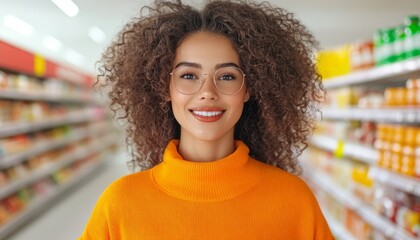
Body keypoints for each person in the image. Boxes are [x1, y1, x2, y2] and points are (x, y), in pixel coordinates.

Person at [79, 0, 334, 239]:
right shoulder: (120, 202)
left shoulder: (294, 200)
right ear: (165, 88)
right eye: (189, 75)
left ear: (249, 89)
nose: (208, 93)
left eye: (227, 76)